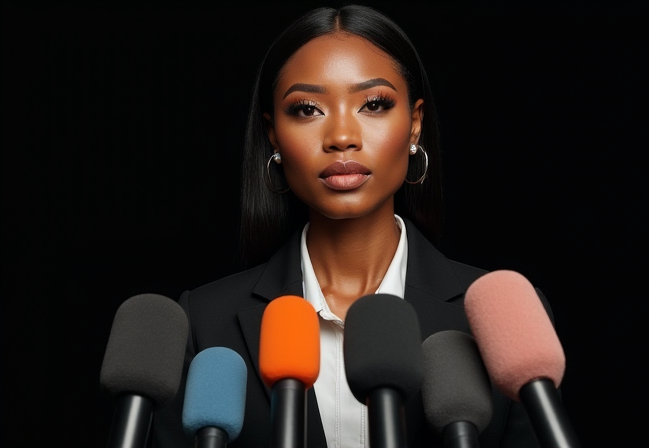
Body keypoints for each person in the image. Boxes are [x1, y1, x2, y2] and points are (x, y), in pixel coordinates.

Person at [151, 4, 557, 448]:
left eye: (374, 104)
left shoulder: (502, 324)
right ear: (274, 136)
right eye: (307, 109)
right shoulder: (204, 323)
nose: (341, 136)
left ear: (415, 124)